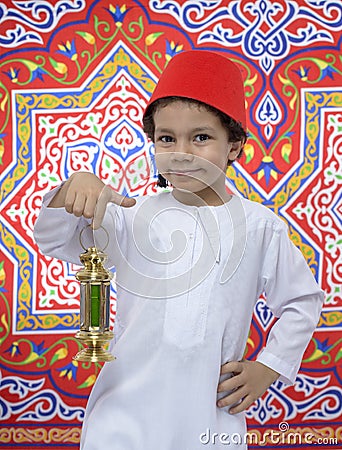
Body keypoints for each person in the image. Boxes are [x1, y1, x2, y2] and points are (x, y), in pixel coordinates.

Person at [34, 50, 324, 449]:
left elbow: (301, 301)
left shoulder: (261, 227)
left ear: (235, 146)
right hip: (124, 416)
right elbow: (55, 239)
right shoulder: (130, 214)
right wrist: (75, 186)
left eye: (201, 137)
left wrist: (269, 366)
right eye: (167, 139)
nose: (182, 153)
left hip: (211, 416)